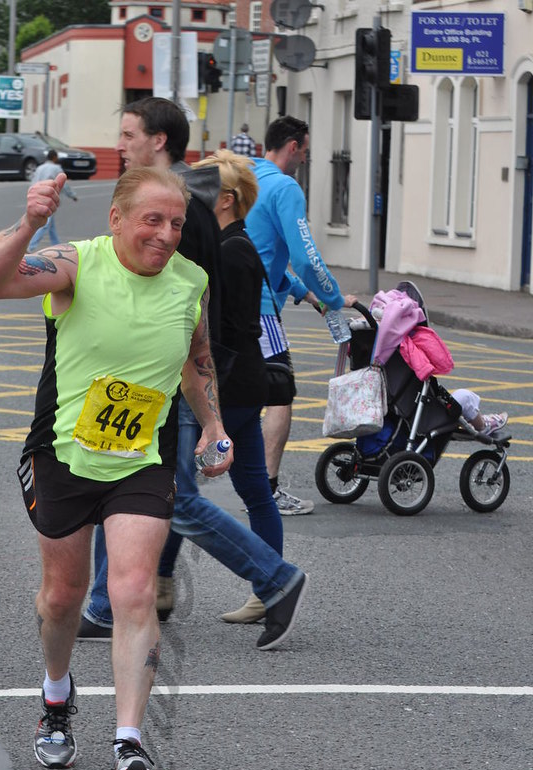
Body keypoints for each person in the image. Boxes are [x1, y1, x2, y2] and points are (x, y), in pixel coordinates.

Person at [0, 166, 232, 770]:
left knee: (135, 588)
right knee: (63, 596)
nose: (166, 235)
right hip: (63, 453)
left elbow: (195, 358)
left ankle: (129, 743)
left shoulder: (190, 281)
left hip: (142, 458)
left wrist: (213, 424)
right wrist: (31, 221)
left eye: (175, 224)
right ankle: (56, 695)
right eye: (152, 220)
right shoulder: (76, 264)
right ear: (116, 218)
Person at [79, 98, 307, 644]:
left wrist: (202, 398)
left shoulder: (184, 210)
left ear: (158, 141)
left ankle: (275, 577)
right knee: (118, 477)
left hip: (170, 374)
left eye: (130, 134)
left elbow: (192, 306)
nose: (120, 143)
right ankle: (104, 604)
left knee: (172, 496)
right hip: (144, 371)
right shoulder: (169, 201)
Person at [245, 116, 357, 515]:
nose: (305, 159)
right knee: (280, 391)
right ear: (292, 147)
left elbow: (262, 252)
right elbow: (304, 256)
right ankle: (267, 490)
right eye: (305, 151)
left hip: (221, 298)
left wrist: (308, 296)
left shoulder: (249, 177)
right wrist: (334, 295)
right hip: (254, 307)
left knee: (234, 392)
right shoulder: (285, 187)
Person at [191, 148, 281, 624]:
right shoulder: (237, 245)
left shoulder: (230, 250)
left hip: (234, 383)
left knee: (179, 488)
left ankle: (272, 583)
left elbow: (219, 326)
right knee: (253, 489)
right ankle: (270, 590)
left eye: (201, 192)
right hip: (245, 378)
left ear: (225, 199)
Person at [27, 149, 77, 251]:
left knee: (51, 227)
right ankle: (31, 247)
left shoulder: (40, 168)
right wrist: (72, 195)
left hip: (38, 196)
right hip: (49, 199)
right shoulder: (56, 168)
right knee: (45, 225)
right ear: (54, 157)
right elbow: (64, 185)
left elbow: (33, 182)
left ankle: (56, 245)